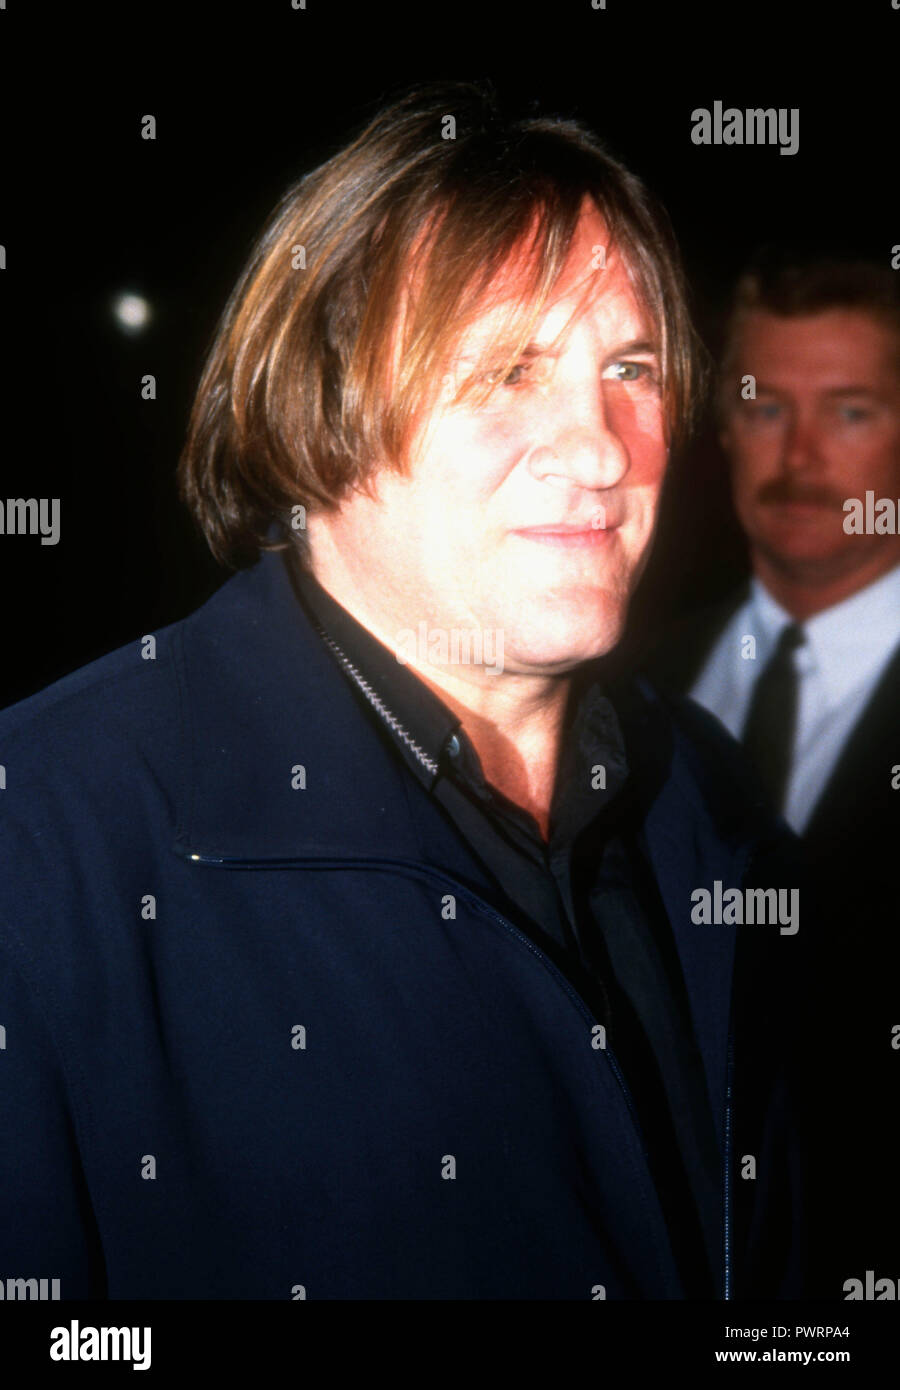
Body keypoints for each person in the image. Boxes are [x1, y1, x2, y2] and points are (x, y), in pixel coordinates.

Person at [0, 83, 804, 1300]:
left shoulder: (706, 794)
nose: (602, 448)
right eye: (508, 371)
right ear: (318, 407)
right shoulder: (48, 841)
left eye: (629, 366)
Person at [646, 250, 900, 1298]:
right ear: (716, 430)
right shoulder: (609, 681)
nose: (799, 457)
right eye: (761, 409)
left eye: (850, 413)